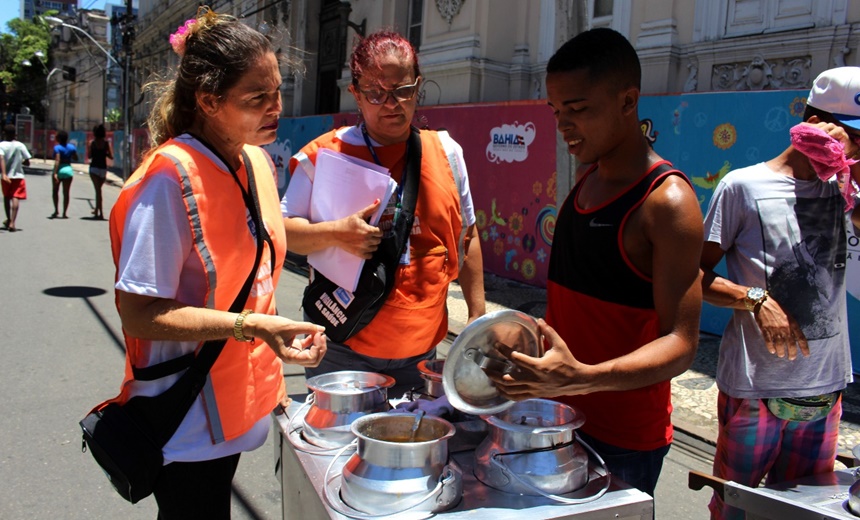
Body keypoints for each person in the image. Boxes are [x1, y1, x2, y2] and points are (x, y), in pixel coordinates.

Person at [107, 8, 327, 518]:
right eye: (257, 98)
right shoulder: (167, 181)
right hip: (184, 417)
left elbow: (254, 274)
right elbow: (138, 312)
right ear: (208, 101)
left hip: (236, 404)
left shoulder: (255, 161)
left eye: (277, 91)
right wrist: (252, 327)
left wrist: (272, 371)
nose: (276, 108)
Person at [488, 28, 704, 498]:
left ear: (628, 101)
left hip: (623, 436)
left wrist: (584, 379)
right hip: (555, 416)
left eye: (579, 110)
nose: (564, 125)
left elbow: (682, 344)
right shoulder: (585, 184)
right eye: (557, 111)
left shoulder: (667, 202)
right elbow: (579, 305)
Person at [281, 29, 486, 397]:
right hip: (343, 349)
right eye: (375, 93)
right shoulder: (324, 155)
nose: (391, 103)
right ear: (356, 94)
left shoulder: (447, 153)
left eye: (402, 90)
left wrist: (477, 315)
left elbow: (467, 235)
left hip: (422, 355)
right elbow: (281, 230)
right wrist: (336, 233)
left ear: (417, 87)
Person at [700, 67, 860, 520]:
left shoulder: (844, 191)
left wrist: (851, 177)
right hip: (756, 389)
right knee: (736, 508)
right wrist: (754, 299)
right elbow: (689, 276)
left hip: (826, 388)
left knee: (806, 512)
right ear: (813, 123)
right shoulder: (743, 187)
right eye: (854, 136)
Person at [0, 124, 31, 232]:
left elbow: (1, 158)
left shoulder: (2, 145)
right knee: (15, 197)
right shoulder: (20, 145)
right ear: (15, 134)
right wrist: (21, 162)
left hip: (6, 177)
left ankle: (8, 219)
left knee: (6, 197)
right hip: (18, 176)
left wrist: (4, 173)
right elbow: (27, 162)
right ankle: (13, 222)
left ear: (4, 133)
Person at [51, 130, 78, 219]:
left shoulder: (57, 148)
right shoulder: (72, 147)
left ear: (58, 138)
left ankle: (56, 210)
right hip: (68, 170)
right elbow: (75, 158)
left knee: (55, 191)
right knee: (66, 193)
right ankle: (64, 213)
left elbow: (57, 160)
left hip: (59, 170)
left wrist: (55, 173)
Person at [88, 124, 113, 220]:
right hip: (103, 169)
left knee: (98, 191)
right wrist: (104, 153)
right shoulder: (106, 144)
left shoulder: (92, 143)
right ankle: (98, 211)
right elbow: (111, 156)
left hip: (94, 168)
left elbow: (89, 156)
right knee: (99, 191)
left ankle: (100, 212)